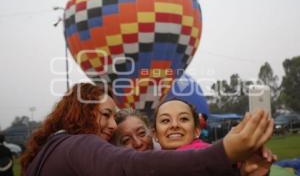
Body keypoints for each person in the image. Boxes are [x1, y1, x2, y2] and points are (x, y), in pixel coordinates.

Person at [21, 83, 274, 176]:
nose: (112, 124)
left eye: (183, 119)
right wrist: (226, 151)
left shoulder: (49, 150)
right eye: (106, 115)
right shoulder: (78, 146)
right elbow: (129, 165)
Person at [153, 98, 277, 175]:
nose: (174, 125)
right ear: (155, 134)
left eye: (183, 119)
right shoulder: (144, 163)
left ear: (197, 131)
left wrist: (248, 170)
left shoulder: (212, 154)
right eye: (165, 121)